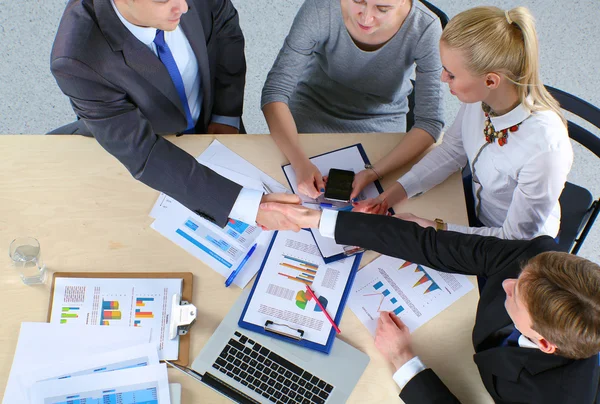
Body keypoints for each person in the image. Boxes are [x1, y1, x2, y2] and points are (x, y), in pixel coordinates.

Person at [259, 202, 600, 403]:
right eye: (521, 277)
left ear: (544, 342)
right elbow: (431, 246)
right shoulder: (536, 257)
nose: (507, 281)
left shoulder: (559, 397)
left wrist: (404, 361)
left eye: (515, 295)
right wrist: (317, 219)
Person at [50, 0, 299, 231]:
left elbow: (225, 28)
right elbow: (143, 152)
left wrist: (225, 116)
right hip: (152, 145)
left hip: (214, 121)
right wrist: (248, 206)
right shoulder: (77, 58)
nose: (184, 5)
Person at [354, 6, 573, 240]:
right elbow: (452, 151)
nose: (442, 78)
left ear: (490, 80)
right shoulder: (482, 97)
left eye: (452, 74)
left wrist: (430, 227)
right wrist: (388, 197)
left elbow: (515, 238)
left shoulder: (545, 150)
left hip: (512, 243)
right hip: (473, 206)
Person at [261, 0, 445, 199]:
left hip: (382, 121)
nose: (366, 18)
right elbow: (275, 91)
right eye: (358, 1)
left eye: (382, 9)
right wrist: (299, 162)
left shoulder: (426, 27)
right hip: (311, 108)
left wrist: (374, 172)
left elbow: (430, 122)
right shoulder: (320, 8)